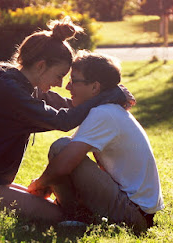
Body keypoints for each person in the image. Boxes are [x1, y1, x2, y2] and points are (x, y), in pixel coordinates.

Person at [0, 18, 132, 222]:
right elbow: (63, 120)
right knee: (56, 215)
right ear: (41, 66)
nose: (60, 84)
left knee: (44, 203)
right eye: (59, 75)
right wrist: (108, 95)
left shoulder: (23, 86)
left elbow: (69, 106)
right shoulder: (10, 92)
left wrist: (102, 92)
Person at [28, 51, 164, 232]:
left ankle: (75, 216)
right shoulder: (105, 111)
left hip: (133, 214)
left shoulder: (104, 113)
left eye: (74, 80)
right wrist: (48, 185)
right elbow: (69, 161)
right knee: (64, 148)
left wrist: (39, 185)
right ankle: (72, 212)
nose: (68, 87)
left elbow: (64, 164)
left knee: (60, 147)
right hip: (135, 210)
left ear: (95, 87)